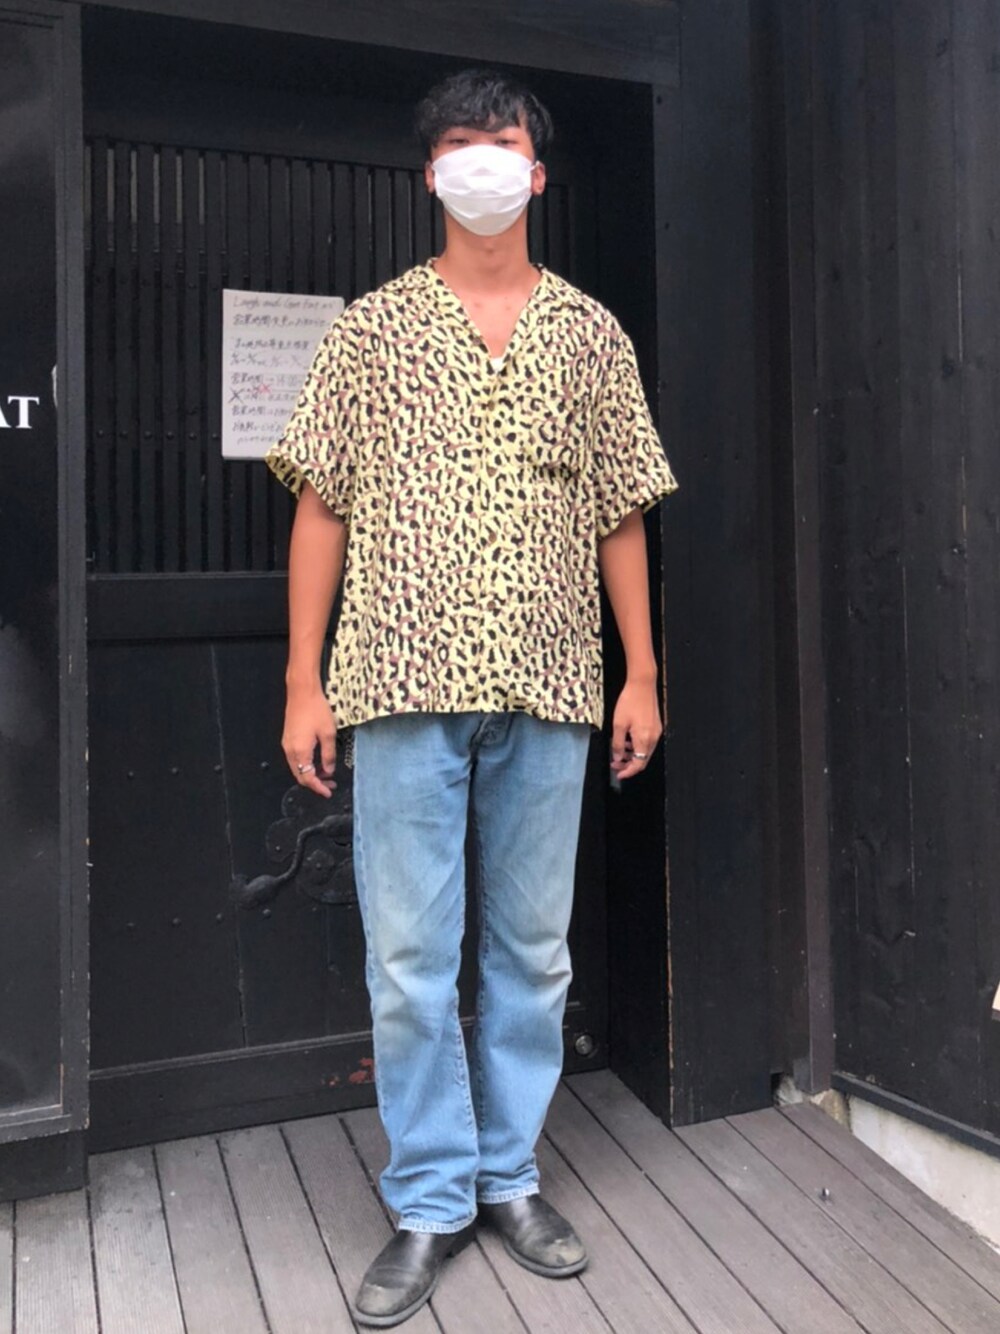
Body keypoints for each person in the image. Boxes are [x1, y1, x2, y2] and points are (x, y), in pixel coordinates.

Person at [264, 68, 678, 1328]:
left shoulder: (590, 335)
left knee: (532, 952)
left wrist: (641, 671)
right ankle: (433, 1194)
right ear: (431, 173)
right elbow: (320, 504)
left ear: (535, 174)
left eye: (502, 143)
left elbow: (619, 512)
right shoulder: (372, 330)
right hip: (397, 679)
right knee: (407, 957)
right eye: (460, 144)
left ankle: (509, 1173)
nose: (482, 161)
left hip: (550, 680)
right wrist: (302, 678)